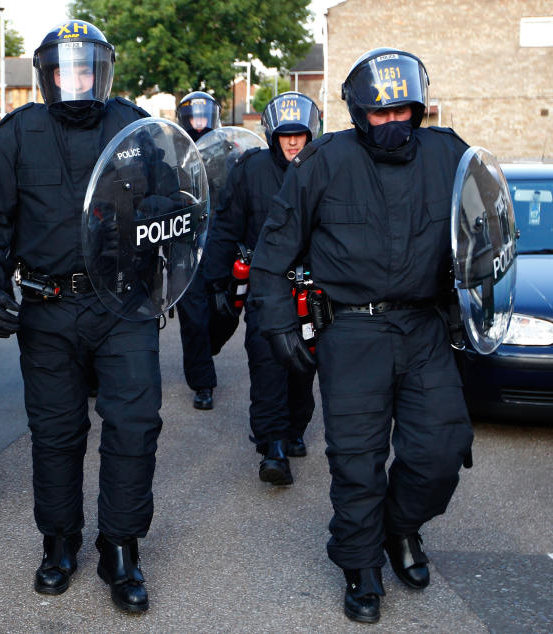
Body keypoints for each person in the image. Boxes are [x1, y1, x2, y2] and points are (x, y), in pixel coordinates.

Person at [248, 49, 474, 623]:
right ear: (357, 112)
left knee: (441, 451)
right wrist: (276, 323)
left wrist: (477, 307)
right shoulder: (324, 160)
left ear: (418, 107)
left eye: (403, 109)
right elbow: (274, 251)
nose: (393, 121)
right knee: (357, 458)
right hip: (352, 328)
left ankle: (399, 529)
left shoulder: (449, 154)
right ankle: (360, 565)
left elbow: (484, 234)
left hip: (424, 326)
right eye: (380, 112)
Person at [0, 20, 161, 613]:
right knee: (56, 432)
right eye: (64, 70)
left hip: (123, 303)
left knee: (134, 425)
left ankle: (121, 546)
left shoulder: (133, 127)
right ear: (46, 76)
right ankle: (60, 540)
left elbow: (175, 203)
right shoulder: (19, 133)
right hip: (48, 306)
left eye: (86, 68)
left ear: (102, 71)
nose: (76, 79)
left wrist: (164, 262)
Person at [204, 91, 320, 485]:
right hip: (263, 285)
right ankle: (272, 446)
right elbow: (224, 225)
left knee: (303, 367)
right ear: (273, 134)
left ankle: (295, 428)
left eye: (299, 134)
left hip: (310, 288)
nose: (292, 141)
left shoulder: (325, 168)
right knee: (267, 363)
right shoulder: (249, 170)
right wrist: (216, 281)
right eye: (285, 134)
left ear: (310, 135)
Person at [174, 91, 221, 409]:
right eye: (195, 116)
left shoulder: (225, 150)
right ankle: (203, 382)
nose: (200, 122)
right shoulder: (172, 153)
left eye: (205, 116)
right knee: (193, 318)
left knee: (221, 313)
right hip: (186, 244)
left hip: (219, 242)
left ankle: (208, 350)